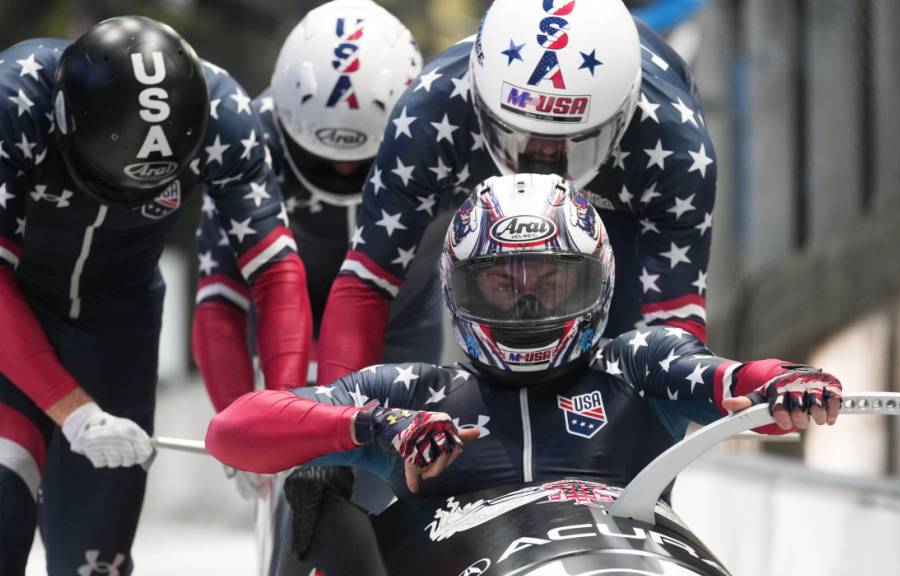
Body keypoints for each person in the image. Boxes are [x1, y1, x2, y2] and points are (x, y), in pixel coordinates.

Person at [207, 174, 842, 510]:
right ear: (460, 291)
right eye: (502, 287)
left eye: (552, 282)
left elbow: (727, 381)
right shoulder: (414, 396)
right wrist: (378, 426)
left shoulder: (638, 365)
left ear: (597, 281)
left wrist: (782, 385)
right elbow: (232, 431)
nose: (530, 304)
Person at [0, 16, 310, 574]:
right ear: (65, 121)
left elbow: (276, 270)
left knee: (95, 562)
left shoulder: (225, 116)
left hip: (117, 328)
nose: (121, 198)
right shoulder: (14, 97)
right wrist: (73, 411)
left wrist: (280, 418)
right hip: (13, 307)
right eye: (108, 182)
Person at [316, 0, 720, 384]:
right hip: (478, 186)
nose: (543, 152)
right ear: (480, 99)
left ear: (623, 111)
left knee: (620, 354)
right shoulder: (429, 113)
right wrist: (333, 421)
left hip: (620, 212)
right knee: (464, 303)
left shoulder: (675, 147)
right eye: (522, 134)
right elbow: (367, 280)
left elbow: (673, 326)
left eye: (570, 139)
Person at [190, 3, 426, 573]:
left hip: (401, 312)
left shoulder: (429, 130)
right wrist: (252, 418)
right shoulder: (248, 137)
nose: (343, 173)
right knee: (298, 482)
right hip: (281, 311)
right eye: (324, 160)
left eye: (359, 163)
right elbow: (219, 298)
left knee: (394, 478)